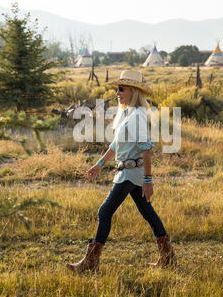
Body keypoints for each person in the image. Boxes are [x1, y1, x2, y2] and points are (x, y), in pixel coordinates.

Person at [66, 70, 177, 273]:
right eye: (117, 88)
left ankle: (90, 263)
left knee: (105, 211)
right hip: (125, 171)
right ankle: (167, 258)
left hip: (132, 172)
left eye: (121, 88)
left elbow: (146, 148)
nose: (117, 92)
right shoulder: (126, 114)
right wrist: (100, 163)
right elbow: (116, 145)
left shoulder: (138, 116)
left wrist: (147, 179)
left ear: (133, 90)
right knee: (147, 212)